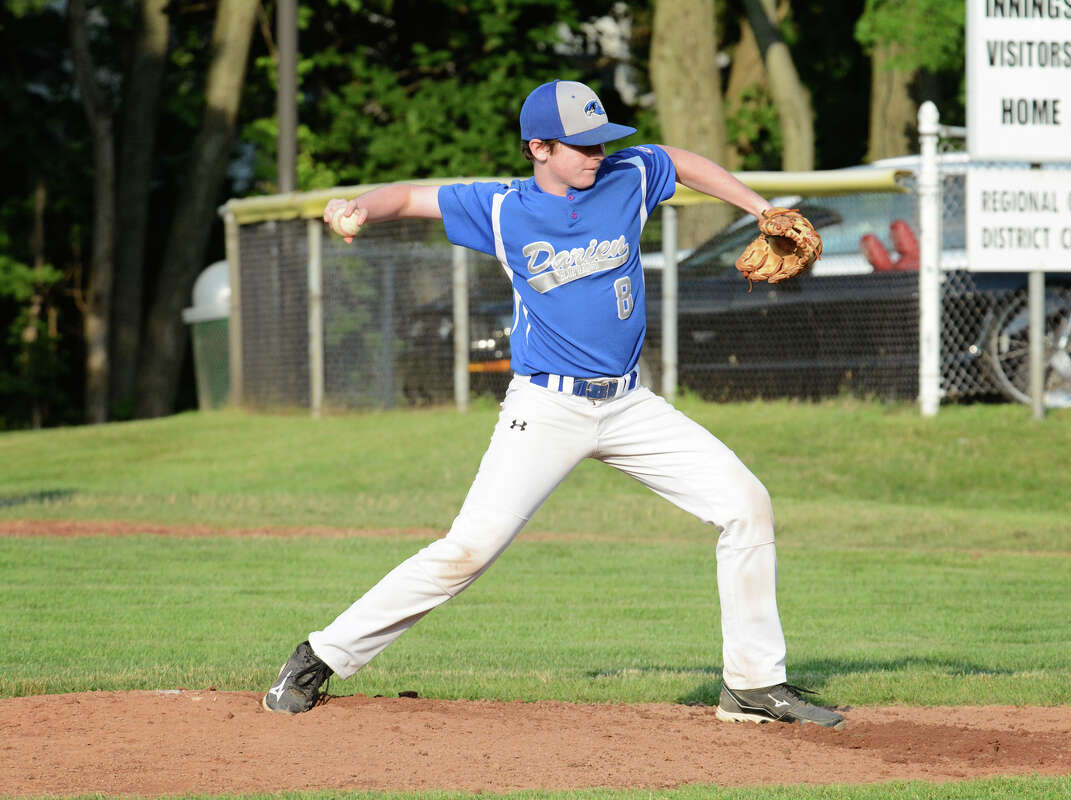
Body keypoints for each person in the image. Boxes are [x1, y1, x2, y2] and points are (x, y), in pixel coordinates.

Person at [262, 79, 844, 729]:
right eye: (582, 144)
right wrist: (357, 206)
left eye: (602, 140)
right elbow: (406, 196)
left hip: (629, 404)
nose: (598, 153)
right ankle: (318, 655)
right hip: (546, 407)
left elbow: (677, 160)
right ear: (539, 146)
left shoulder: (626, 176)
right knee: (469, 550)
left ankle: (753, 686)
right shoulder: (505, 208)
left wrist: (759, 207)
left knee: (746, 505)